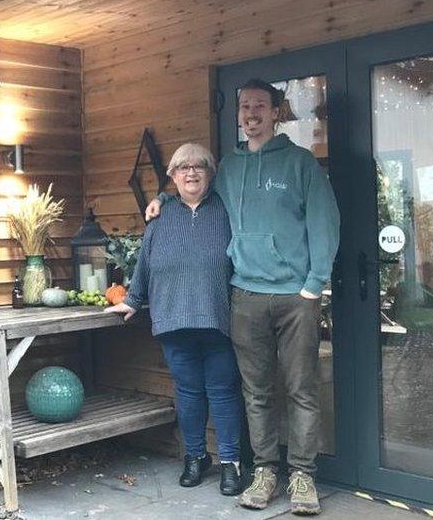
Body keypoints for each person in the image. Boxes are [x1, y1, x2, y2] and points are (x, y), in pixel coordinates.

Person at [144, 79, 340, 515]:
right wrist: (160, 197)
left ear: (276, 112)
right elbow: (190, 190)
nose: (251, 114)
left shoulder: (300, 163)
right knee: (255, 391)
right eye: (245, 107)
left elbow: (326, 223)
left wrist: (314, 284)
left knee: (301, 389)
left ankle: (303, 475)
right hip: (246, 295)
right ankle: (266, 470)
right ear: (238, 115)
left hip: (294, 296)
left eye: (260, 106)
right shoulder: (229, 168)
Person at [106, 143, 244, 496]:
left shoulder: (226, 209)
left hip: (218, 319)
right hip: (173, 320)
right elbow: (145, 263)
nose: (191, 172)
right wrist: (133, 300)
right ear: (172, 177)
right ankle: (196, 457)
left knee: (223, 391)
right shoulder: (160, 215)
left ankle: (230, 461)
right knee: (188, 393)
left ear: (210, 173)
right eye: (183, 168)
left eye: (199, 166)